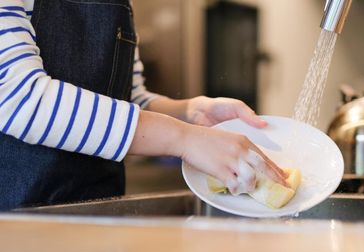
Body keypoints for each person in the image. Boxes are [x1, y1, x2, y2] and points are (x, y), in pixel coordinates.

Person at [0, 1, 286, 211]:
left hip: (97, 215)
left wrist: (189, 113)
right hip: (16, 227)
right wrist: (185, 139)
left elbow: (127, 97)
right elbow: (19, 98)